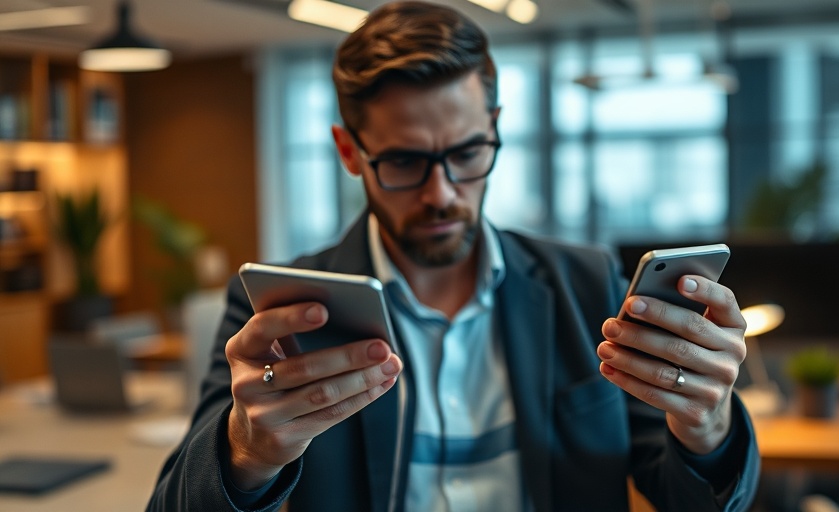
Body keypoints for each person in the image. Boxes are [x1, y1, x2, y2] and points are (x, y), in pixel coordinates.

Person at [148, 2, 759, 510]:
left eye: (468, 153)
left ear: (494, 125)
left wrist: (707, 425)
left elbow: (691, 498)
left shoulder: (586, 283)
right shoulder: (281, 312)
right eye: (406, 162)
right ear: (348, 150)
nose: (441, 193)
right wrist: (248, 450)